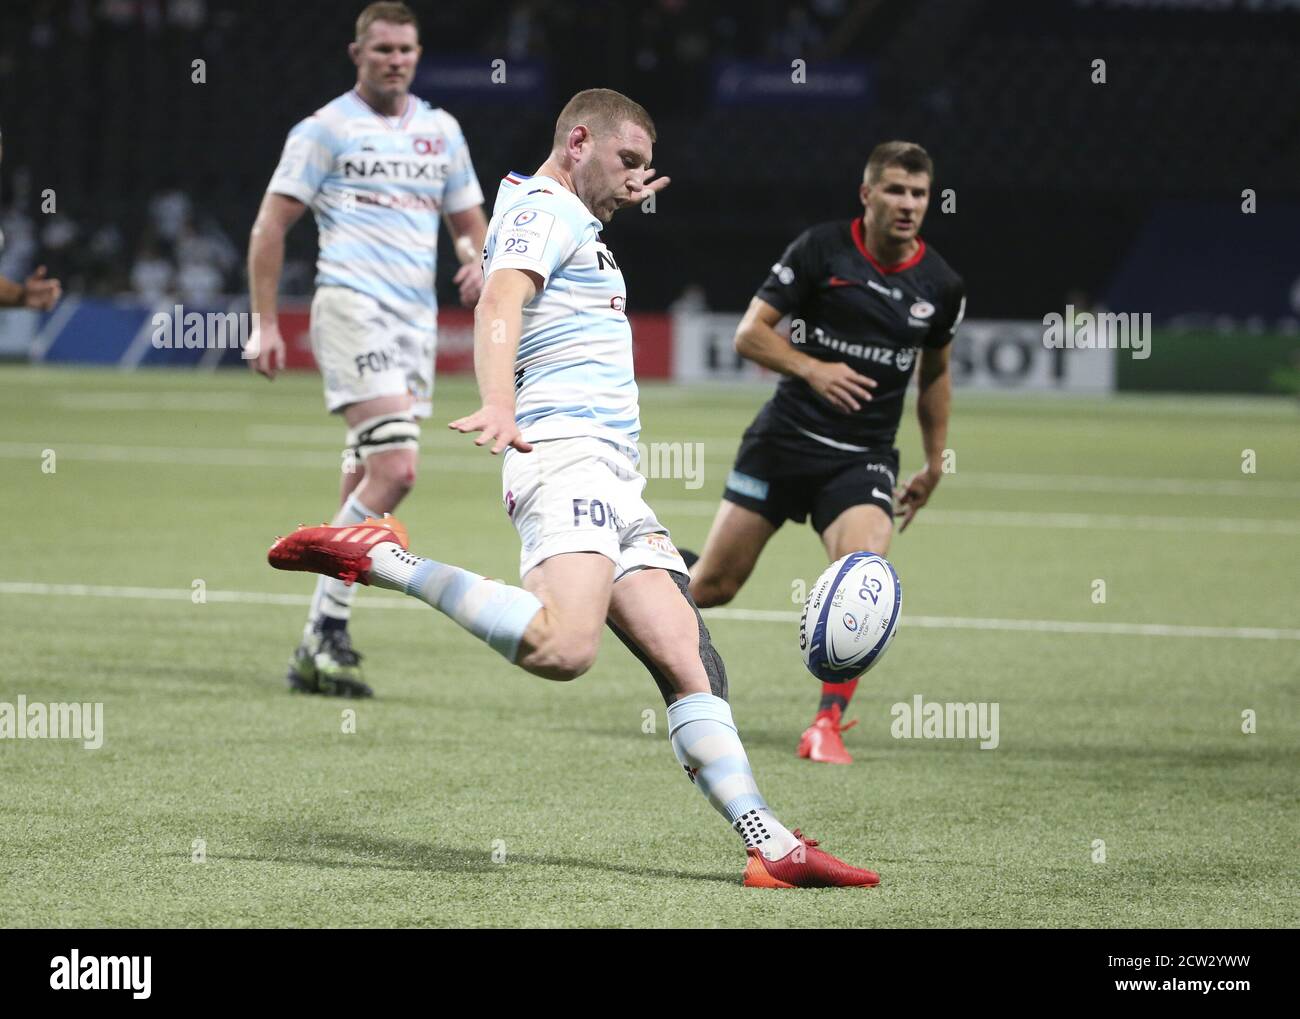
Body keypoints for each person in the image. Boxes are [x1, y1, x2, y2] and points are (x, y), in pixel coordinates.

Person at [268, 89, 881, 888]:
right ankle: (383, 558)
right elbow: (501, 298)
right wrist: (494, 398)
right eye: (626, 160)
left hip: (616, 476)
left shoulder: (575, 221)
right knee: (565, 647)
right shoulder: (541, 206)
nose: (635, 178)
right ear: (579, 139)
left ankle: (772, 845)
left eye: (643, 168)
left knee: (692, 664)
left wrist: (612, 200)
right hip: (563, 456)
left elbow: (524, 282)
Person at [683, 141, 965, 765]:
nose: (908, 204)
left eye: (919, 194)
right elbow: (749, 334)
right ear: (867, 194)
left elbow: (935, 375)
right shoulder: (821, 250)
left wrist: (935, 459)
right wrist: (814, 369)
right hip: (782, 444)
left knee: (864, 573)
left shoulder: (940, 285)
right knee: (714, 585)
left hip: (860, 460)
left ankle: (825, 726)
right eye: (895, 190)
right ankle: (639, 574)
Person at [247, 2, 488, 697]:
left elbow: (468, 221)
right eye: (382, 48)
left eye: (406, 49)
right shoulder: (324, 130)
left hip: (413, 324)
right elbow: (271, 224)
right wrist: (264, 323)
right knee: (398, 467)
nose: (396, 59)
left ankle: (316, 646)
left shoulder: (441, 130)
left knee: (362, 483)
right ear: (357, 52)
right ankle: (325, 628)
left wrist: (475, 258)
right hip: (350, 308)